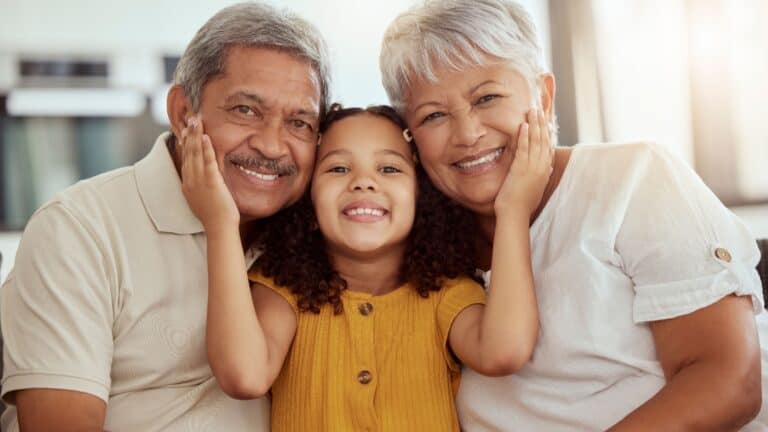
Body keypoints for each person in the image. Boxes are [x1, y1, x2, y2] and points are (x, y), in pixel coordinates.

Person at [380, 0, 767, 430]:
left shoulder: (633, 178)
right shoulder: (419, 252)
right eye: (434, 115)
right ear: (410, 137)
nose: (468, 134)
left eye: (487, 97)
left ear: (543, 97)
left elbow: (730, 383)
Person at [0, 3, 330, 431]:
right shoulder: (78, 229)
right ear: (182, 113)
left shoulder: (317, 237)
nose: (271, 145)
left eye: (299, 122)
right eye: (246, 110)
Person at [179, 102, 551, 431]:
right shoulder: (283, 290)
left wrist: (513, 210)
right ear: (309, 204)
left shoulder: (445, 293)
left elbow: (504, 351)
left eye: (389, 169)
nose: (363, 183)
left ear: (421, 200)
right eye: (338, 168)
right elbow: (244, 377)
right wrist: (220, 223)